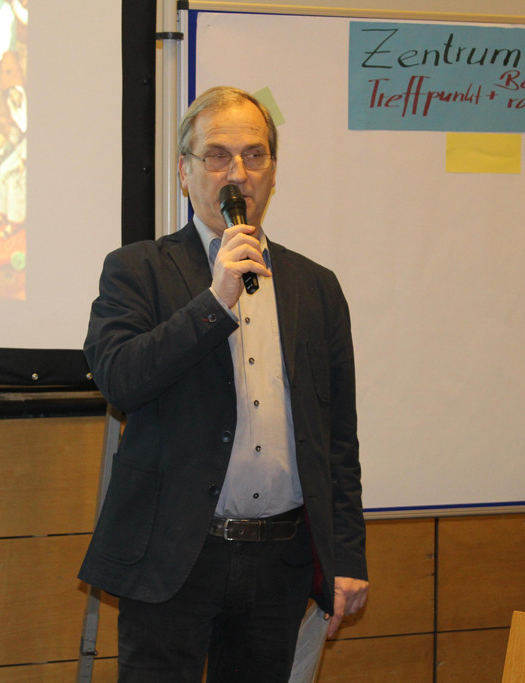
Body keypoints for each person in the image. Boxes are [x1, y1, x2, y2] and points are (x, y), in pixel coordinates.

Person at [80, 86, 369, 681]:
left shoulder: (316, 287)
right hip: (173, 556)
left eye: (254, 155)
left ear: (272, 172)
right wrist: (215, 301)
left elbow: (338, 439)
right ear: (184, 172)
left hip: (280, 561)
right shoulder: (137, 270)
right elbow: (121, 380)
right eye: (217, 156)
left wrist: (346, 556)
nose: (238, 173)